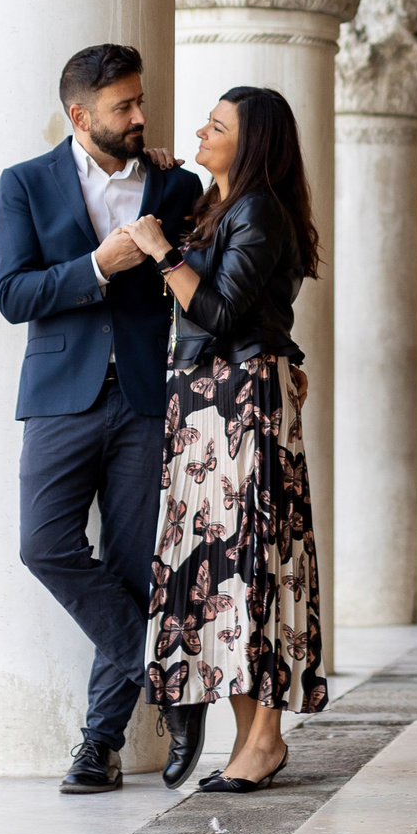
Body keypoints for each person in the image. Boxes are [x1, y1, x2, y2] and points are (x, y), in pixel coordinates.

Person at [0, 44, 202, 794]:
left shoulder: (176, 183)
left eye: (140, 101)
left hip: (147, 399)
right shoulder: (23, 184)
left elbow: (205, 266)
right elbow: (12, 293)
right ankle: (169, 678)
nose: (141, 115)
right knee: (43, 543)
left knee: (130, 565)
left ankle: (100, 744)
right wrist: (95, 267)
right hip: (59, 399)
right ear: (81, 116)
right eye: (124, 107)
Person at [126, 86, 327, 793]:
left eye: (218, 126)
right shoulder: (219, 206)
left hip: (242, 403)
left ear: (253, 143)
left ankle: (266, 735)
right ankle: (250, 734)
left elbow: (216, 308)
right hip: (208, 403)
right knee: (222, 566)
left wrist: (158, 252)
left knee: (252, 565)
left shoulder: (260, 209)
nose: (201, 132)